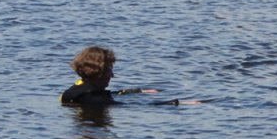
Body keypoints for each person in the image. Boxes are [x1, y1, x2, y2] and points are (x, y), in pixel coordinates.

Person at [60, 46, 199, 106]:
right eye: (109, 70)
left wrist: (138, 91)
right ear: (98, 72)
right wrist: (178, 103)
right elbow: (125, 106)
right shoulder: (93, 99)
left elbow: (109, 95)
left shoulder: (79, 87)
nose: (112, 75)